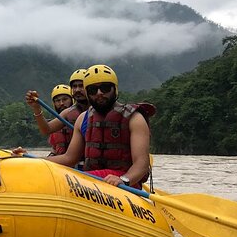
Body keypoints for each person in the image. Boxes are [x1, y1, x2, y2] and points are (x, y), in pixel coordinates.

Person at [14, 64, 155, 188]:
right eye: (93, 90)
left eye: (105, 88)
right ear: (88, 94)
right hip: (90, 181)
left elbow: (141, 163)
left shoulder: (134, 118)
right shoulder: (83, 119)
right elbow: (69, 158)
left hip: (123, 181)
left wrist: (124, 180)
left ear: (115, 89)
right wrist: (30, 159)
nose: (99, 93)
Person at [26, 69, 90, 155]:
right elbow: (46, 129)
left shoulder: (101, 109)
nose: (77, 90)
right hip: (72, 162)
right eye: (74, 86)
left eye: (81, 86)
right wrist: (36, 107)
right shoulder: (68, 113)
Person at [47, 84, 73, 156]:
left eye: (65, 99)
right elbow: (54, 149)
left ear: (72, 100)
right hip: (60, 163)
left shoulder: (80, 120)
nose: (61, 103)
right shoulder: (54, 126)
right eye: (58, 101)